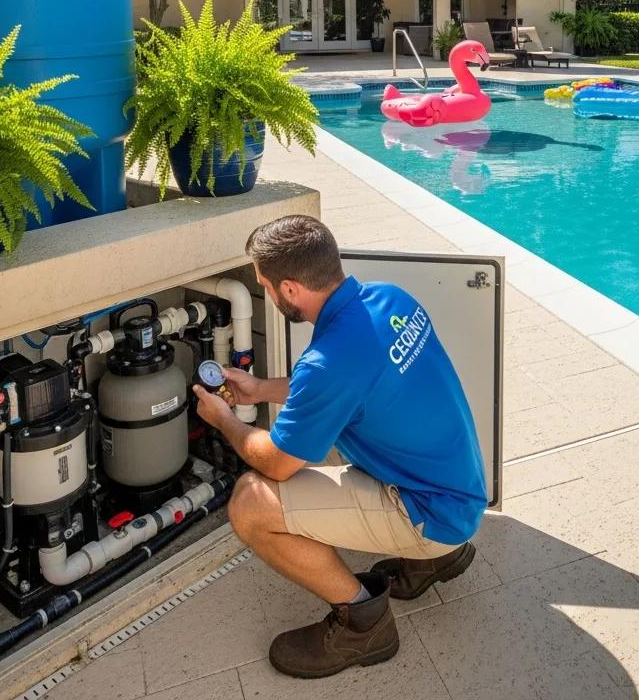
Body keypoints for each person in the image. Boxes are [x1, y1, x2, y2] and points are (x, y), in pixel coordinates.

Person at [193, 214, 487, 679]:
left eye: (266, 286)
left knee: (251, 501)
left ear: (289, 289)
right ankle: (438, 559)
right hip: (459, 487)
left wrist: (225, 419)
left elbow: (277, 463)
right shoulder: (390, 298)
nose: (268, 294)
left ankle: (363, 626)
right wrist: (260, 388)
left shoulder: (327, 363)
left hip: (433, 513)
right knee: (326, 433)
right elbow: (347, 384)